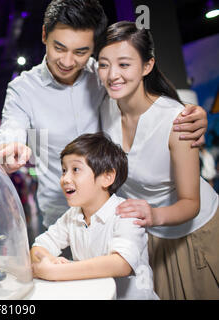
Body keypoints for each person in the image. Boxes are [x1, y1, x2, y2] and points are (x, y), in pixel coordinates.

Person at [0, 0, 208, 229]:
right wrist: (9, 146)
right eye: (59, 48)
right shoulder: (23, 89)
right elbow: (11, 127)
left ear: (94, 46)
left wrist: (189, 112)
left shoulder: (104, 74)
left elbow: (145, 100)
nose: (67, 61)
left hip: (116, 213)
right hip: (62, 216)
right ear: (45, 34)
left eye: (80, 52)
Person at [97, 21, 219, 299]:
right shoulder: (106, 107)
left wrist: (152, 215)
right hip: (151, 235)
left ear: (147, 66)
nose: (112, 75)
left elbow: (190, 203)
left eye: (124, 64)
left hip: (195, 234)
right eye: (104, 65)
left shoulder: (176, 120)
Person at [31, 132, 159, 300]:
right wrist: (48, 261)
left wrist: (57, 271)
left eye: (75, 169)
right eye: (64, 170)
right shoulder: (72, 215)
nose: (65, 178)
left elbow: (121, 264)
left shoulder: (126, 213)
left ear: (107, 177)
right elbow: (39, 246)